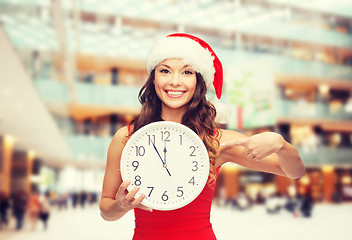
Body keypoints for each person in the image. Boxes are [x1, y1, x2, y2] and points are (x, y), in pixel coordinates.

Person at [99, 33, 305, 239]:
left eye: (187, 72)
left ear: (199, 81)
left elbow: (294, 172)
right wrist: (121, 205)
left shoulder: (216, 140)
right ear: (153, 79)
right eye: (165, 71)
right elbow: (106, 210)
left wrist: (281, 145)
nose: (175, 81)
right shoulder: (126, 138)